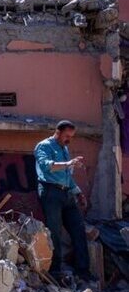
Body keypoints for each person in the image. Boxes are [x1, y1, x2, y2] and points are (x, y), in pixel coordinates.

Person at [34, 120, 91, 282]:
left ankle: (83, 271)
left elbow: (67, 176)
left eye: (71, 137)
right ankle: (56, 270)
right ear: (57, 132)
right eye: (67, 136)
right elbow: (47, 166)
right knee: (55, 231)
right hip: (50, 192)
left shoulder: (64, 148)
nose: (69, 140)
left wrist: (78, 192)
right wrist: (68, 163)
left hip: (66, 193)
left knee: (78, 229)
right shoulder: (43, 146)